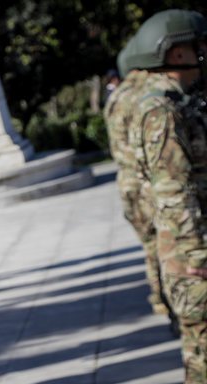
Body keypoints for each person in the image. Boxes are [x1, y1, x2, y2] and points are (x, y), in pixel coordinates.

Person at [126, 9, 207, 384]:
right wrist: (196, 256)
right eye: (197, 45)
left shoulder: (178, 99)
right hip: (189, 251)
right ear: (175, 50)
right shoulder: (160, 107)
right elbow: (172, 189)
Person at [103, 38, 173, 322]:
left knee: (150, 247)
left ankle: (159, 298)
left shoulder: (116, 97)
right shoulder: (147, 93)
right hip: (147, 182)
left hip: (127, 183)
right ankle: (171, 299)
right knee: (167, 244)